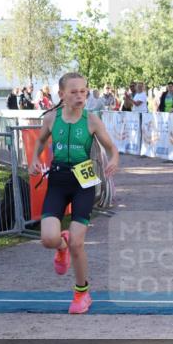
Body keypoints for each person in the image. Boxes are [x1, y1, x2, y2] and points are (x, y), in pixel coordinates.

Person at [29, 72, 120, 314]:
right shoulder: (51, 118)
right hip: (58, 180)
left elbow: (111, 148)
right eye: (74, 92)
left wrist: (113, 160)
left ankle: (82, 293)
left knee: (78, 244)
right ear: (62, 95)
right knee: (48, 239)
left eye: (83, 91)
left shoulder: (92, 121)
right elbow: (39, 142)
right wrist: (34, 159)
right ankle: (61, 245)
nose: (80, 96)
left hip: (84, 181)